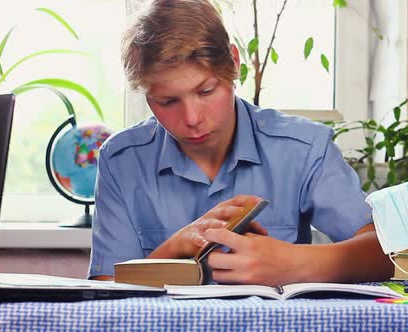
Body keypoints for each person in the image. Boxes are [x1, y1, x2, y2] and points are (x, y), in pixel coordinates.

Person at [89, 0, 392, 286]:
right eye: (167, 101)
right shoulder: (120, 160)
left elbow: (386, 253)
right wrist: (173, 249)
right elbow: (106, 298)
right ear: (145, 95)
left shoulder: (303, 147)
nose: (192, 118)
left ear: (234, 63)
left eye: (206, 91)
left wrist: (295, 263)